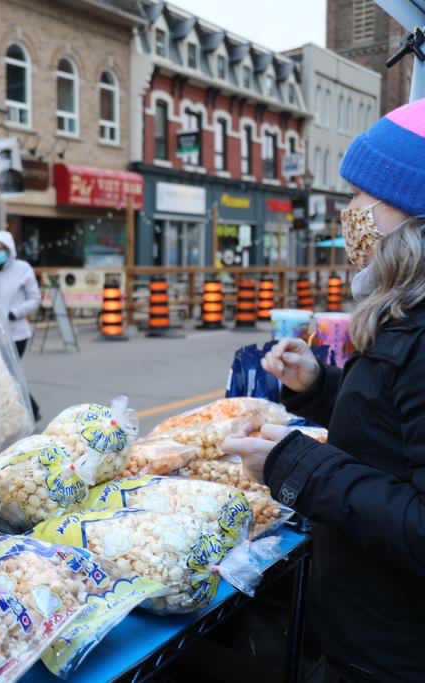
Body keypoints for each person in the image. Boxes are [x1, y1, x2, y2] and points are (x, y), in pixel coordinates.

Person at [223, 99, 425, 682]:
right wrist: (318, 386)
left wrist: (297, 466)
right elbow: (392, 430)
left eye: (361, 195)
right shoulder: (406, 314)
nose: (349, 212)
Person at [0, 230, 41, 420]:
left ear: (10, 250)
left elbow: (34, 299)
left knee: (8, 373)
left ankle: (28, 412)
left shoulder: (23, 269)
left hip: (17, 333)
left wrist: (15, 313)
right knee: (4, 374)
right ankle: (20, 412)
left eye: (1, 249)